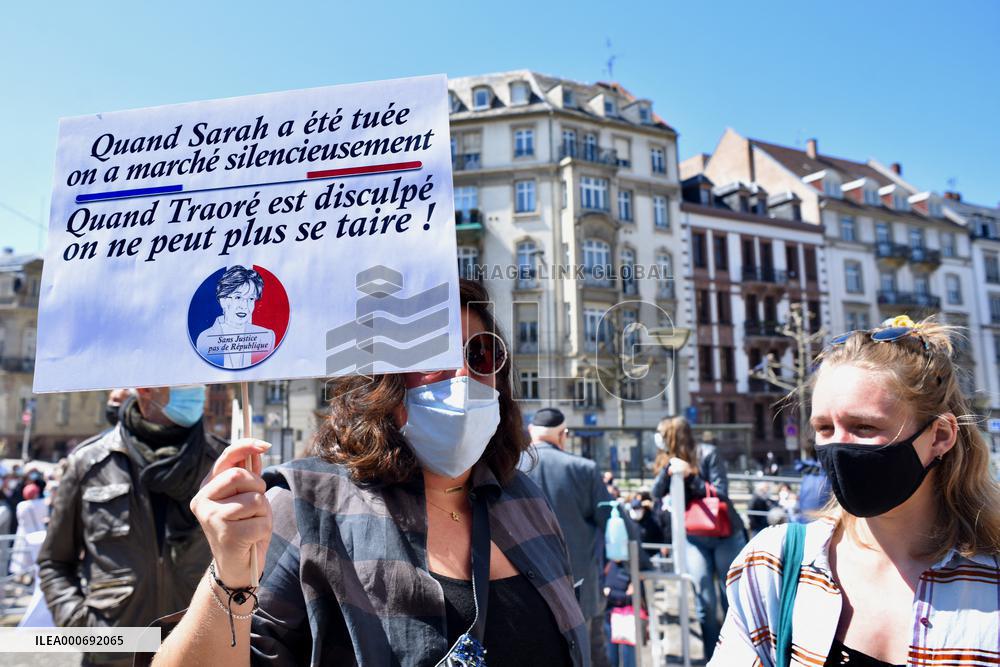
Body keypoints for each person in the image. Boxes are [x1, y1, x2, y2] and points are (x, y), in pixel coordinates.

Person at [151, 280, 588, 666]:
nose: (461, 374)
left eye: (480, 354)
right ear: (384, 382)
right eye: (434, 353)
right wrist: (228, 577)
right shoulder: (305, 505)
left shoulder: (526, 500)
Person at [710, 316, 1000, 665]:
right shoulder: (775, 565)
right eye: (824, 427)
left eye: (863, 426)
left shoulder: (990, 580)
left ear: (939, 436)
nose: (838, 447)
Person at [38, 384, 223, 667]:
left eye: (200, 384)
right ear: (146, 390)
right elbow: (54, 561)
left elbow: (253, 564)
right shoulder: (89, 463)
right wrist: (81, 627)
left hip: (199, 651)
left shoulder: (223, 464)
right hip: (114, 653)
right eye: (184, 383)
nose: (198, 390)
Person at [518, 407, 616, 667]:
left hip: (523, 590)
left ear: (531, 433)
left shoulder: (511, 467)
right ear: (564, 435)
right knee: (591, 654)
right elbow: (614, 522)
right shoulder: (584, 468)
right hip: (580, 589)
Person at [651, 416, 746, 661]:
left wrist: (690, 477)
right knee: (704, 598)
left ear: (672, 435)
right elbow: (655, 493)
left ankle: (739, 654)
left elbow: (721, 492)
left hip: (725, 533)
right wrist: (668, 471)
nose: (657, 439)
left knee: (732, 597)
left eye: (661, 433)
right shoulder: (666, 460)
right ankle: (713, 657)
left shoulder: (708, 453)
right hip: (694, 536)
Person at [195, 265, 276, 369]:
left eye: (251, 299)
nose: (244, 306)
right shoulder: (205, 340)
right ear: (223, 300)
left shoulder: (266, 337)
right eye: (238, 297)